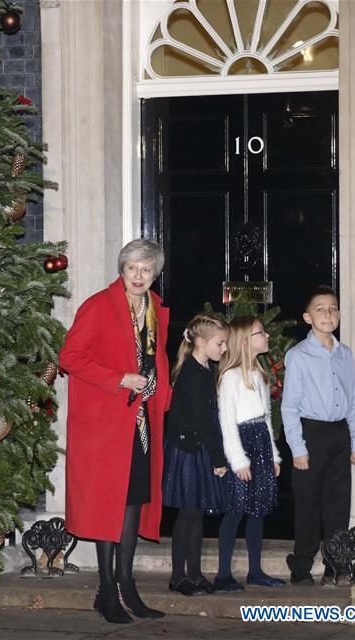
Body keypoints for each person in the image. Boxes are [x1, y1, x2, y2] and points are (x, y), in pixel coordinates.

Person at [59, 238, 170, 624]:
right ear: (122, 270)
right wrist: (120, 378)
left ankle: (127, 584)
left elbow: (157, 359)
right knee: (109, 503)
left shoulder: (154, 309)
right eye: (132, 269)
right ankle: (107, 590)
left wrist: (159, 387)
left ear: (155, 274)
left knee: (133, 502)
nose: (139, 276)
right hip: (104, 426)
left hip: (139, 425)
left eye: (147, 270)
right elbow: (70, 357)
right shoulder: (99, 305)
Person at [281, 286, 355, 586]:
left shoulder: (345, 354)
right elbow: (289, 407)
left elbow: (354, 398)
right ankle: (301, 566)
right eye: (320, 309)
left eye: (333, 308)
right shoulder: (299, 356)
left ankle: (336, 565)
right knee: (308, 502)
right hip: (311, 434)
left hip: (339, 434)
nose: (328, 314)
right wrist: (298, 448)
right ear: (307, 317)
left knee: (338, 503)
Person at [162, 313, 230, 596]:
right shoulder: (192, 372)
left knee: (196, 514)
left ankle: (195, 573)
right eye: (220, 343)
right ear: (200, 342)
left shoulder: (202, 369)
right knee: (188, 514)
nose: (224, 349)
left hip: (196, 447)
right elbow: (203, 420)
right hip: (189, 450)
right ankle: (179, 576)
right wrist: (218, 458)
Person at [214, 317, 285, 591]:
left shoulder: (258, 374)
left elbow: (266, 419)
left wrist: (274, 456)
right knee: (236, 509)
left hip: (261, 443)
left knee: (258, 510)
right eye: (260, 332)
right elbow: (227, 421)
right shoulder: (230, 377)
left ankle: (255, 571)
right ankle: (223, 574)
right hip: (241, 444)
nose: (266, 336)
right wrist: (239, 460)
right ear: (245, 341)